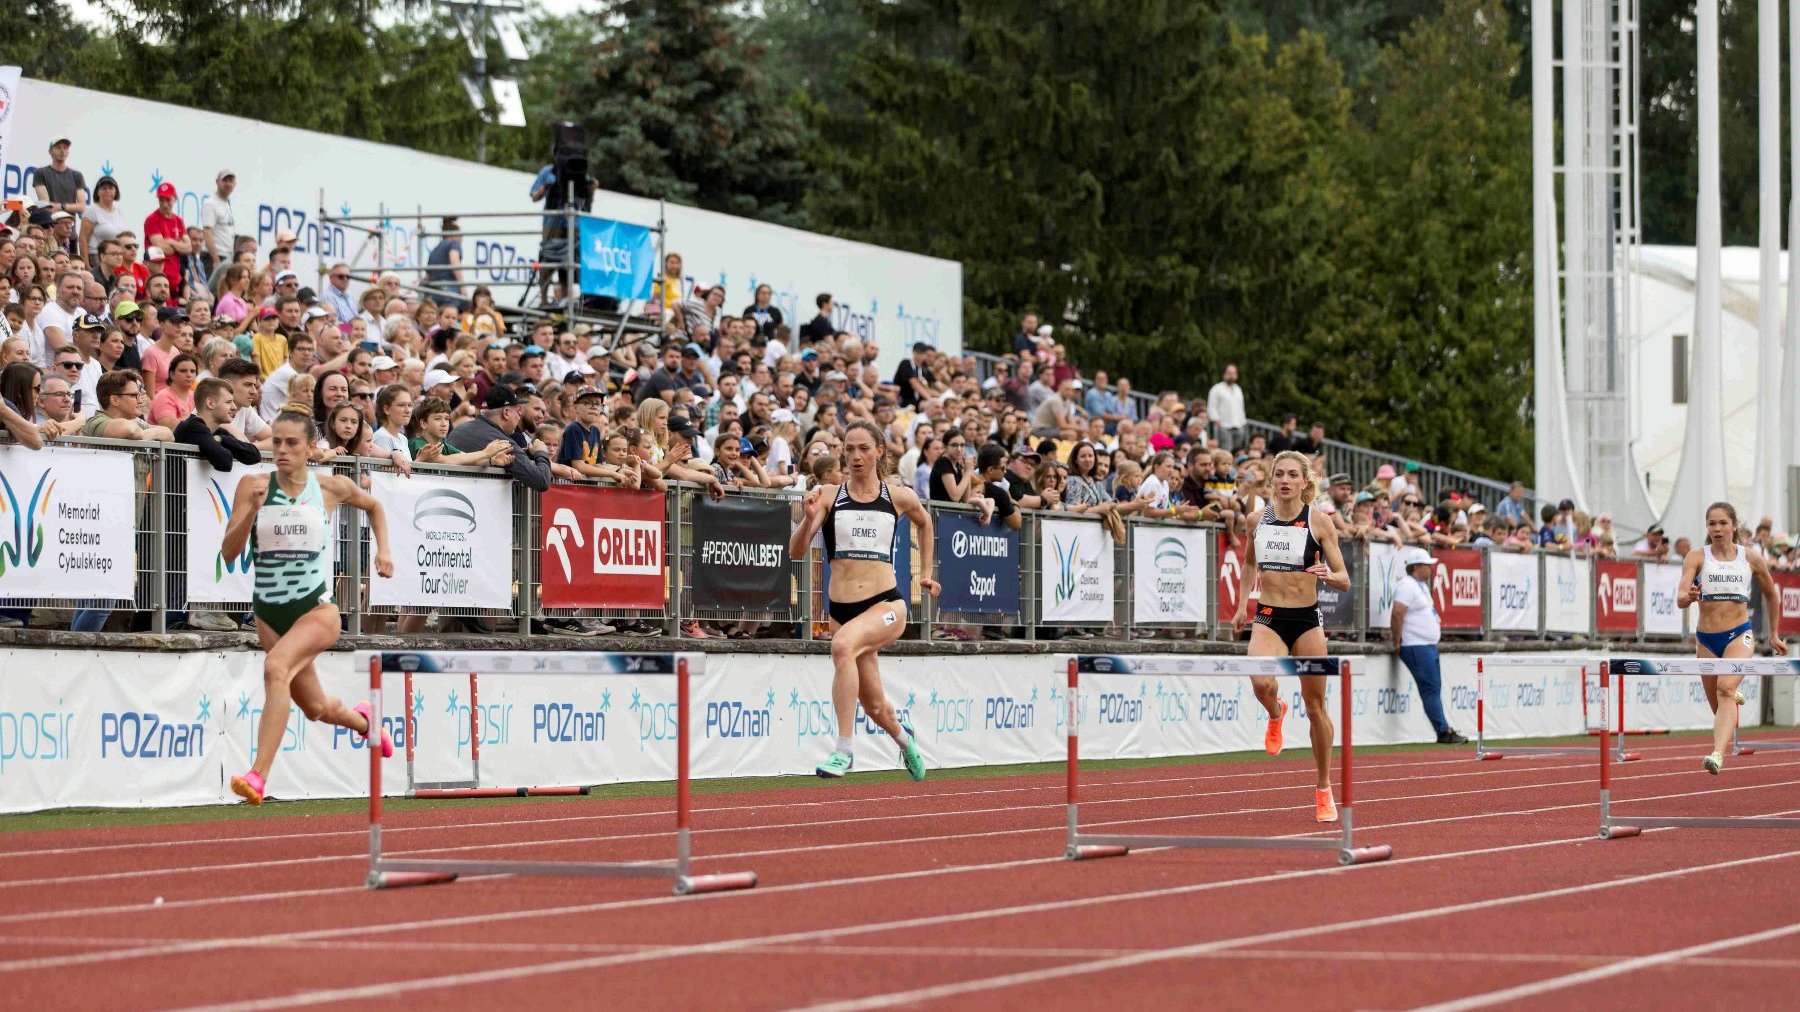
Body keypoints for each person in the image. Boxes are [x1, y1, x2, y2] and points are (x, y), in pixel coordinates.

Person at [220, 407, 395, 804]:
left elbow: (376, 507)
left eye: (292, 443)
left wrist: (383, 552)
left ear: (310, 447)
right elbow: (229, 554)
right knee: (316, 707)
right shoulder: (252, 485)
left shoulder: (330, 487)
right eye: (276, 442)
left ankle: (258, 776)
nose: (281, 450)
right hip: (269, 613)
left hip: (317, 610)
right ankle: (364, 721)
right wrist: (250, 511)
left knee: (275, 667)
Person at [787, 420, 939, 780]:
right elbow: (795, 552)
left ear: (879, 451)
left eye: (863, 449)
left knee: (841, 647)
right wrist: (808, 522)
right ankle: (906, 741)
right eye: (849, 449)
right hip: (841, 610)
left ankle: (844, 751)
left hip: (886, 605)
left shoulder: (897, 496)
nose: (855, 456)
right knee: (874, 705)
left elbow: (926, 523)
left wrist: (926, 572)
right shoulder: (827, 495)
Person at [1231, 449, 1352, 823]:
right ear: (1272, 479)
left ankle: (1323, 787)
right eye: (1279, 474)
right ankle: (1275, 711)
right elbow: (1250, 563)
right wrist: (1240, 606)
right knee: (1261, 682)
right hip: (1268, 615)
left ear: (1304, 482)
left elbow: (1345, 579)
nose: (1284, 481)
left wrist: (1328, 576)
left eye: (1291, 475)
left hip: (1306, 619)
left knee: (1316, 708)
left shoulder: (1320, 523)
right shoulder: (1256, 520)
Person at [1676, 502, 1789, 775]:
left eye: (1723, 523)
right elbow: (1680, 598)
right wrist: (1688, 597)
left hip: (1739, 634)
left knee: (1724, 688)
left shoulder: (1750, 558)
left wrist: (1773, 634)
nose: (1717, 529)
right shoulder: (1696, 556)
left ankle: (1716, 755)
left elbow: (1772, 595)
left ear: (1733, 526)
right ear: (1707, 527)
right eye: (1712, 524)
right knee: (1718, 703)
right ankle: (1732, 694)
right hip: (1706, 639)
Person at [1389, 547, 1469, 744]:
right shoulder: (1406, 585)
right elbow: (1397, 613)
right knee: (1431, 688)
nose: (1430, 569)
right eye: (1427, 566)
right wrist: (1397, 640)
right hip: (1416, 645)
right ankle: (1443, 730)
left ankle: (1443, 728)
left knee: (1433, 688)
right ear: (1416, 567)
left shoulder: (1419, 586)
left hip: (1426, 645)